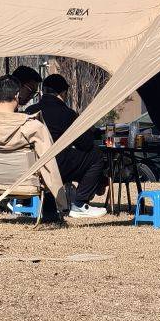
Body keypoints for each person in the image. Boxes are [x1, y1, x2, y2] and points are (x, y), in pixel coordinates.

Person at [0, 75, 69, 220]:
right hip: (26, 184)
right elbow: (49, 165)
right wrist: (61, 202)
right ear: (17, 96)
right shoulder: (33, 126)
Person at [37, 71, 107, 219]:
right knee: (96, 155)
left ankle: (49, 209)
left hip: (34, 166)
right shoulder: (66, 113)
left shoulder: (30, 111)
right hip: (56, 166)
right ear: (63, 93)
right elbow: (85, 144)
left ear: (43, 91)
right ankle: (80, 204)